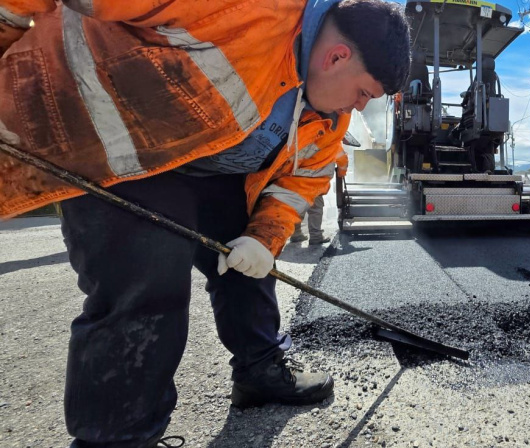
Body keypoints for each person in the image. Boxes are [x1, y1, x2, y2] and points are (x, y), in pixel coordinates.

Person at [0, 1, 410, 446]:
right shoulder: (241, 9)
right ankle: (118, 437)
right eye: (363, 92)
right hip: (120, 152)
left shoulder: (329, 119)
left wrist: (263, 238)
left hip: (214, 173)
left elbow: (299, 183)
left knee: (251, 266)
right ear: (337, 57)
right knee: (147, 280)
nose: (359, 106)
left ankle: (260, 370)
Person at [290, 149, 349, 244]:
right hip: (315, 180)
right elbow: (342, 160)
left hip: (297, 179)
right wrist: (341, 173)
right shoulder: (332, 144)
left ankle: (295, 234)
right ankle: (316, 236)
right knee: (315, 209)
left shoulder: (302, 142)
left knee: (298, 207)